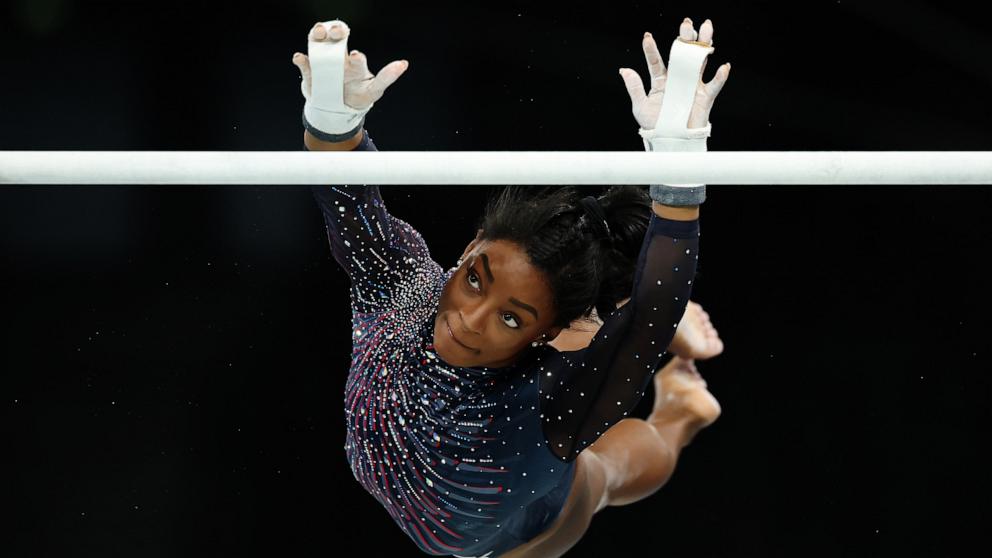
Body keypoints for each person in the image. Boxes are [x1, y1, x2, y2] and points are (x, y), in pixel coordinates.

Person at [292, 16, 731, 557]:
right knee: (615, 344)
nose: (469, 319)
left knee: (604, 475)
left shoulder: (549, 402)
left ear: (549, 332)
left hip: (528, 532)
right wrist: (334, 126)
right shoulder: (401, 288)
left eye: (510, 318)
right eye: (475, 279)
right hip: (550, 369)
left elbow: (652, 315)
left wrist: (680, 163)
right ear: (470, 247)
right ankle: (614, 321)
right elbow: (349, 202)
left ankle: (681, 410)